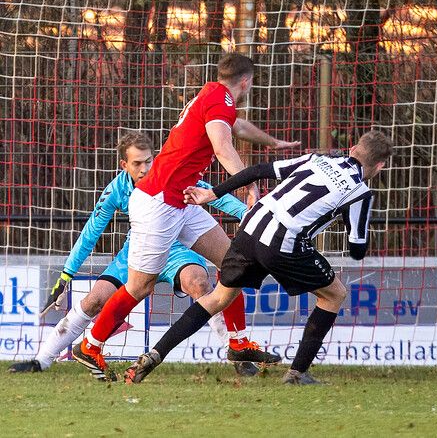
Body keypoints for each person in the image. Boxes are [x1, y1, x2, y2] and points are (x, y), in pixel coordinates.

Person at [73, 54, 297, 378]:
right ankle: (90, 345)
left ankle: (238, 342)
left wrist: (271, 141)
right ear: (246, 82)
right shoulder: (219, 99)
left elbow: (237, 126)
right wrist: (249, 185)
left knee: (233, 262)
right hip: (158, 202)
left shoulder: (214, 94)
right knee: (139, 287)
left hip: (181, 200)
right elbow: (222, 146)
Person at [124, 130, 393, 385]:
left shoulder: (317, 160)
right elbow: (357, 249)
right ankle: (297, 373)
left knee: (218, 298)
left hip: (251, 227)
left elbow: (258, 171)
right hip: (283, 242)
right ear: (380, 166)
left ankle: (154, 354)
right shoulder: (359, 193)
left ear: (354, 149)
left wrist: (213, 193)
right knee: (334, 294)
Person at [8, 132, 258, 380]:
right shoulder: (116, 189)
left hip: (175, 250)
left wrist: (254, 215)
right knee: (96, 298)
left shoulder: (172, 179)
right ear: (124, 165)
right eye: (137, 163)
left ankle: (236, 353)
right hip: (136, 250)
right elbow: (91, 231)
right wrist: (66, 275)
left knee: (200, 282)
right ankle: (42, 361)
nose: (144, 168)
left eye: (148, 161)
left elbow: (219, 199)